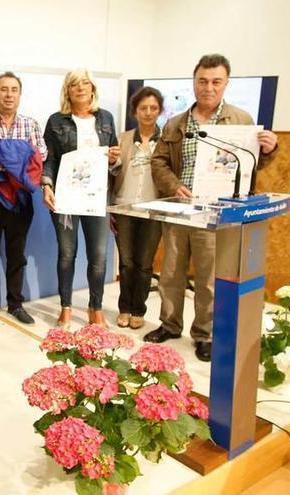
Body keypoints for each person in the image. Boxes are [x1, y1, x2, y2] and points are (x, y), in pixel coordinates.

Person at [146, 54, 279, 362]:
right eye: (202, 81)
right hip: (180, 209)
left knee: (208, 277)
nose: (208, 88)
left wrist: (271, 149)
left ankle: (204, 334)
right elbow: (159, 162)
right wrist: (172, 185)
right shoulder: (176, 123)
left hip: (217, 214)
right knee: (170, 273)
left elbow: (253, 163)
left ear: (226, 84)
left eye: (216, 82)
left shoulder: (242, 120)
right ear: (194, 83)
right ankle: (169, 324)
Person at [42, 68, 120, 329]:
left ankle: (95, 309)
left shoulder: (106, 118)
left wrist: (114, 158)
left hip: (96, 197)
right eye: (74, 84)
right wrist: (47, 185)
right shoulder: (56, 121)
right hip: (66, 196)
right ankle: (65, 307)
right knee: (67, 253)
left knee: (98, 255)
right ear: (68, 90)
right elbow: (49, 159)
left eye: (85, 83)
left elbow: (115, 157)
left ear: (92, 88)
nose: (80, 88)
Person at [0, 71, 48, 328]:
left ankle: (16, 304)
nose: (8, 94)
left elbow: (41, 156)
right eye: (3, 89)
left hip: (21, 201)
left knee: (17, 255)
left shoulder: (31, 124)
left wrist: (5, 151)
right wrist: (22, 157)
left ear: (20, 94)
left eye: (14, 89)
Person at [111, 86, 165, 330]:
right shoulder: (123, 138)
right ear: (135, 111)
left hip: (154, 209)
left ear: (160, 110)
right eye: (143, 108)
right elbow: (113, 171)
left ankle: (138, 310)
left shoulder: (166, 141)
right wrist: (112, 162)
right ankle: (124, 308)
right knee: (126, 262)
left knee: (144, 263)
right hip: (125, 206)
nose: (148, 112)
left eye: (153, 108)